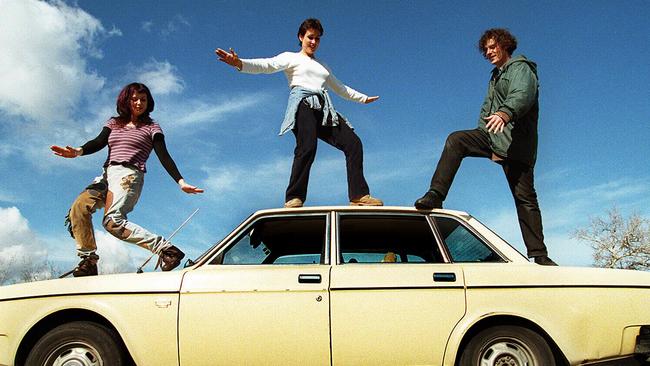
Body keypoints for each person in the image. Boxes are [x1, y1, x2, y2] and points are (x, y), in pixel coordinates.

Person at [414, 28, 556, 266]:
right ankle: (435, 195)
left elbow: (523, 95)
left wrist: (505, 113)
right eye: (486, 49)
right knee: (457, 140)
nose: (489, 52)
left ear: (505, 45)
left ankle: (540, 256)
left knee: (525, 198)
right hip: (493, 135)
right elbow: (488, 108)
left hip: (516, 144)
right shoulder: (495, 75)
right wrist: (486, 132)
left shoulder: (521, 69)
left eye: (493, 47)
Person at [215, 18, 382, 208]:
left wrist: (363, 98)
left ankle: (359, 195)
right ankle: (294, 197)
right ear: (301, 37)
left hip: (323, 109)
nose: (314, 42)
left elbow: (340, 88)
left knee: (353, 143)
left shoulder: (323, 66)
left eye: (317, 39)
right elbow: (266, 65)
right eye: (310, 37)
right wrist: (239, 63)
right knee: (307, 147)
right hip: (303, 105)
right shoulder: (291, 58)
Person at [51, 82, 204, 276]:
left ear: (148, 102)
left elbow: (163, 155)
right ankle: (89, 259)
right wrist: (79, 151)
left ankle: (167, 250)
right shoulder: (114, 123)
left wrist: (180, 181)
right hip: (107, 175)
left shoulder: (151, 127)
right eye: (134, 99)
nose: (139, 103)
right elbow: (99, 142)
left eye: (143, 99)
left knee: (113, 222)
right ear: (126, 101)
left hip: (128, 176)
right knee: (79, 208)